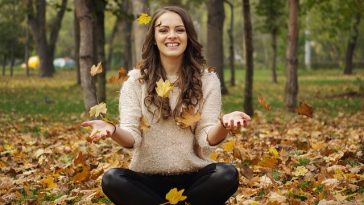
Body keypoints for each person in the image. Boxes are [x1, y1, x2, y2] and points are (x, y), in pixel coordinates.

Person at [81, 6, 251, 205]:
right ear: (154, 37)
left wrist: (223, 124)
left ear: (188, 35)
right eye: (163, 30)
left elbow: (206, 137)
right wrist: (113, 130)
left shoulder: (207, 79)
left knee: (227, 173)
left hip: (194, 180)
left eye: (179, 30)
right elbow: (131, 138)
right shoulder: (135, 81)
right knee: (112, 179)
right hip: (147, 181)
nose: (172, 36)